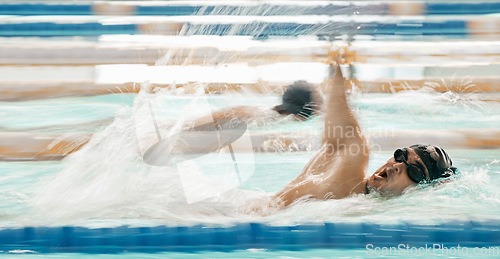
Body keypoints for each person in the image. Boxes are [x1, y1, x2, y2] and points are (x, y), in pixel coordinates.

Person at [267, 60, 457, 209]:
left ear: (420, 191)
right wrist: (337, 59)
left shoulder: (367, 205)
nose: (398, 165)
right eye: (401, 155)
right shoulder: (348, 172)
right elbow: (340, 114)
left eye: (414, 171)